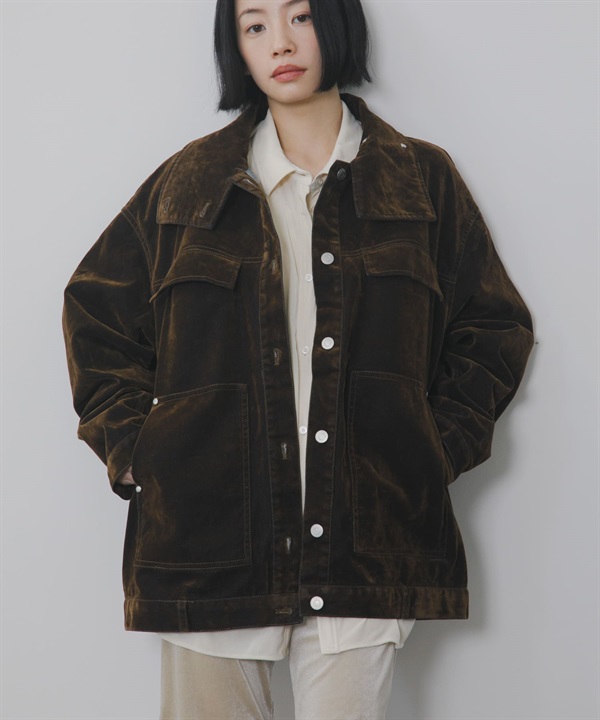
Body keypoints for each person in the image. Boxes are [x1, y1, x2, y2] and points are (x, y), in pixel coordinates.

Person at [62, 0, 534, 717]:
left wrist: (435, 448)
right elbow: (96, 316)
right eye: (254, 26)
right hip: (209, 547)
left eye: (301, 17)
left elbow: (493, 326)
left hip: (367, 549)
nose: (279, 42)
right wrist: (137, 452)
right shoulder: (189, 183)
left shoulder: (420, 180)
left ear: (337, 23)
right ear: (237, 48)